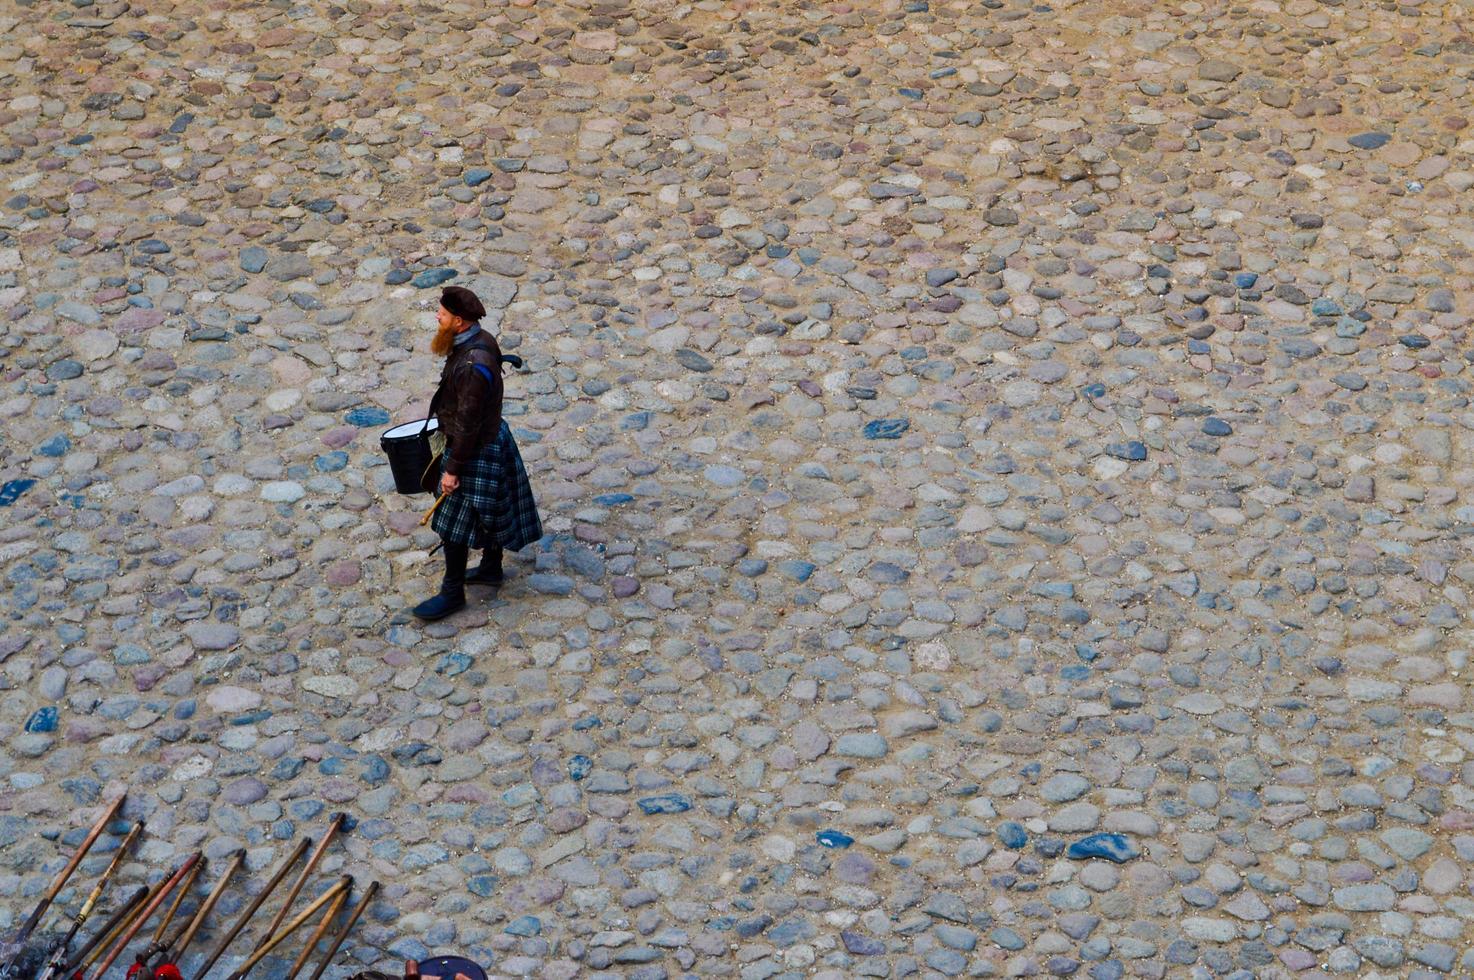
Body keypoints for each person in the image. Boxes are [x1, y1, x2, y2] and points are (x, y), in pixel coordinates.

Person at [414, 286, 543, 621]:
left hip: (473, 447)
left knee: (450, 523)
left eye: (441, 314)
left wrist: (453, 469)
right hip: (484, 439)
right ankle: (490, 567)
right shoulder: (477, 338)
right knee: (493, 507)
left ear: (458, 321)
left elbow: (469, 423)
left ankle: (452, 592)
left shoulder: (474, 364)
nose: (437, 317)